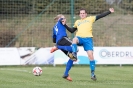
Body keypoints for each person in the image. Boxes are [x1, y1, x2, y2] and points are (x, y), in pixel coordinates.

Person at [62, 8, 115, 81]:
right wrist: (65, 25)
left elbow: (100, 16)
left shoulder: (90, 19)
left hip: (88, 39)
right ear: (79, 15)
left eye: (83, 13)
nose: (82, 14)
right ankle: (74, 54)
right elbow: (72, 31)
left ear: (86, 14)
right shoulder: (77, 22)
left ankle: (92, 73)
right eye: (81, 13)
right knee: (74, 39)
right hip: (79, 38)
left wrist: (109, 12)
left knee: (91, 56)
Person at [51, 14, 77, 81]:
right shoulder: (60, 21)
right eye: (63, 18)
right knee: (75, 48)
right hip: (63, 39)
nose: (64, 19)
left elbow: (54, 39)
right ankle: (58, 47)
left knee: (73, 58)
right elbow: (61, 19)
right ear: (59, 18)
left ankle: (66, 74)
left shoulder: (54, 27)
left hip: (59, 42)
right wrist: (62, 19)